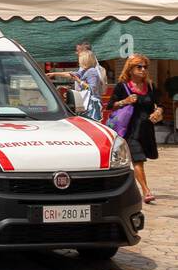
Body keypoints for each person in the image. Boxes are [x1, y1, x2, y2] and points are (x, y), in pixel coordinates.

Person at [106, 53, 164, 203]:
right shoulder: (122, 86)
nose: (143, 70)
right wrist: (125, 101)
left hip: (146, 130)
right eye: (139, 67)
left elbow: (159, 104)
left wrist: (158, 111)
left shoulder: (150, 86)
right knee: (138, 160)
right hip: (130, 130)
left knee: (135, 161)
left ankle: (124, 186)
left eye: (145, 67)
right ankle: (146, 191)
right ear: (130, 69)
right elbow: (110, 105)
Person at [51, 47, 107, 122]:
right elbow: (71, 74)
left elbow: (92, 88)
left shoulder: (92, 71)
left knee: (90, 124)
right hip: (87, 103)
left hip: (91, 105)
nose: (78, 62)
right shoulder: (85, 70)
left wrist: (79, 81)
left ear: (85, 60)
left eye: (80, 60)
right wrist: (54, 74)